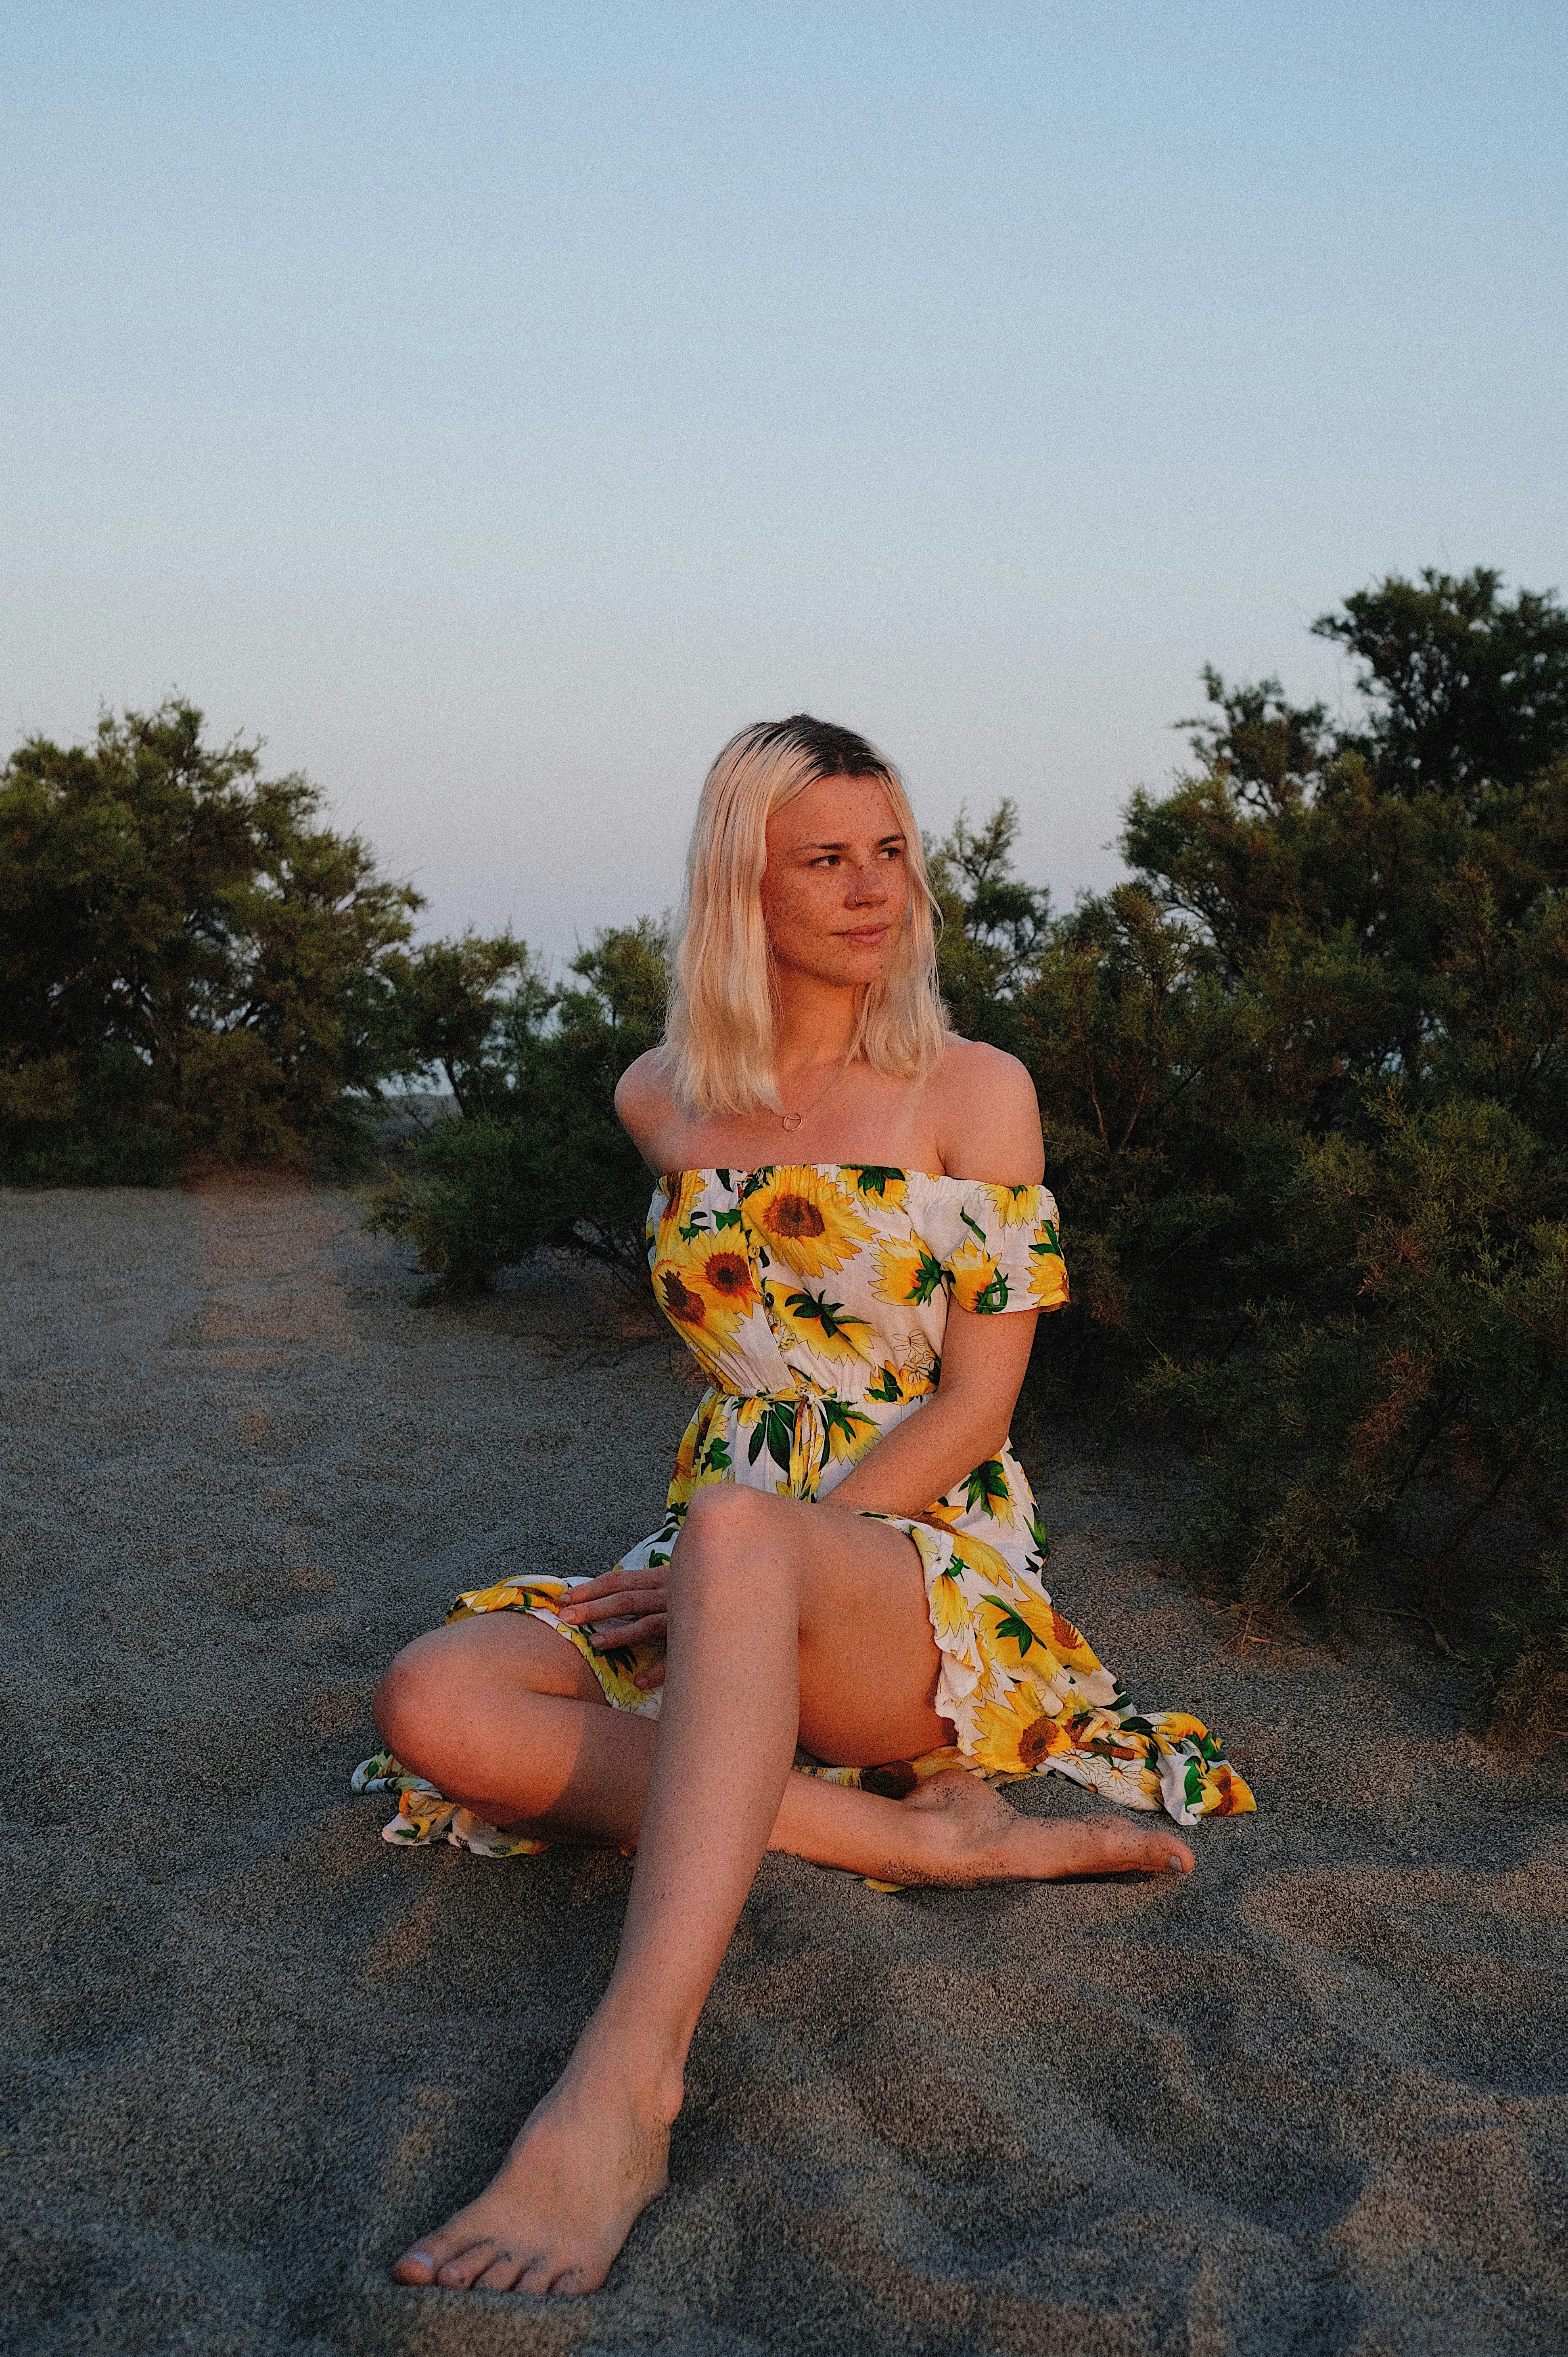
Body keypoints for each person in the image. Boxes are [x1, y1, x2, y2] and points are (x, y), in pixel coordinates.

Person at [359, 714, 1253, 2298]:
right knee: (435, 1699)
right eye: (825, 858)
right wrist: (719, 1564)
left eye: (890, 851)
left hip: (919, 1557)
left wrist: (754, 1550)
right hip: (720, 1535)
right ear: (742, 886)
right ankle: (930, 1843)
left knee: (733, 1538)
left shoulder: (973, 1090)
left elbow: (977, 1405)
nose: (871, 887)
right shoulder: (661, 1097)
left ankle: (624, 2084)